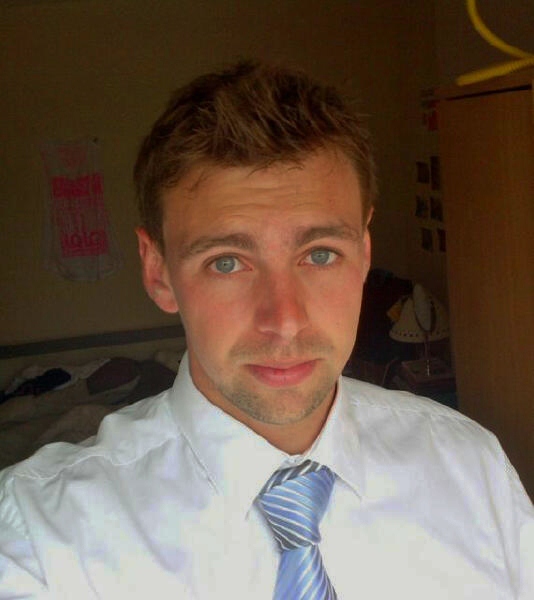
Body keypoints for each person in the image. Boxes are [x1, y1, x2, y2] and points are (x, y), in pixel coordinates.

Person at [0, 61, 532, 599]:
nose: (285, 321)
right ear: (158, 271)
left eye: (320, 254)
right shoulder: (37, 538)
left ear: (364, 252)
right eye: (227, 262)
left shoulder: (471, 467)